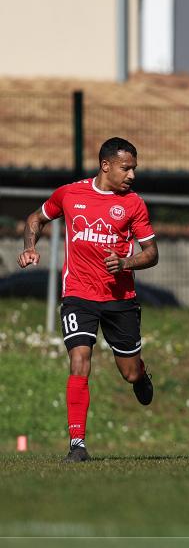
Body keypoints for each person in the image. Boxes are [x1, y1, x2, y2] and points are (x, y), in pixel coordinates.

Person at [17, 137, 158, 462]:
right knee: (80, 360)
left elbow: (152, 253)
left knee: (130, 373)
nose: (132, 175)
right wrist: (29, 247)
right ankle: (77, 444)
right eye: (127, 168)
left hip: (120, 298)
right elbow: (35, 219)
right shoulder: (70, 194)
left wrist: (125, 263)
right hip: (78, 294)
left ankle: (141, 372)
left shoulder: (134, 204)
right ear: (106, 165)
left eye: (134, 168)